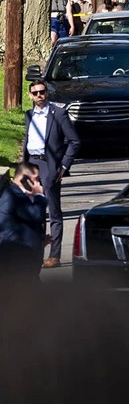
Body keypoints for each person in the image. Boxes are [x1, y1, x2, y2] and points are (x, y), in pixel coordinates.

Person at [22, 79, 79, 269]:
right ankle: (33, 254)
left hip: (50, 166)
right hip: (31, 165)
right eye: (35, 93)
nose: (39, 96)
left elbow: (74, 141)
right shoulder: (29, 115)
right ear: (30, 95)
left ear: (47, 93)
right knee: (33, 213)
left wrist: (63, 166)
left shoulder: (59, 114)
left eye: (42, 92)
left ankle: (54, 256)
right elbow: (28, 141)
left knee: (53, 212)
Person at [0, 162, 48, 286]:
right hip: (17, 262)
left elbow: (24, 223)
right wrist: (39, 196)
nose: (39, 183)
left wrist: (39, 239)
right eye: (36, 179)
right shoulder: (12, 197)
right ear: (24, 179)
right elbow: (35, 215)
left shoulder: (18, 195)